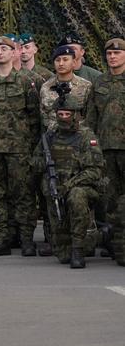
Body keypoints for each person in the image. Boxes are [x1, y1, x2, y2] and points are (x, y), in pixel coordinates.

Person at [0, 36, 40, 257]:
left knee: (23, 194)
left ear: (14, 52)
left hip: (19, 149)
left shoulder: (25, 81)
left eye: (5, 49)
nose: (0, 52)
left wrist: (31, 147)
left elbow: (34, 118)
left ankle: (26, 240)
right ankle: (2, 240)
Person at [32, 95, 104, 269]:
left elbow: (94, 170)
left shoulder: (86, 136)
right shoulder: (49, 137)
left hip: (82, 187)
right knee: (63, 255)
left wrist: (70, 185)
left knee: (76, 197)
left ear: (76, 115)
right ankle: (85, 241)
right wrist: (45, 166)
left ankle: (79, 249)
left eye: (67, 114)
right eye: (60, 114)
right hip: (56, 187)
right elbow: (35, 161)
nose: (63, 118)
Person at [85, 37, 125, 266]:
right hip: (106, 149)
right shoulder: (99, 83)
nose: (112, 57)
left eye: (117, 54)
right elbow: (91, 118)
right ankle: (114, 243)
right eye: (109, 54)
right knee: (109, 199)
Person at [40, 45, 92, 130]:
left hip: (78, 137)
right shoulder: (46, 87)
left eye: (65, 59)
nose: (61, 63)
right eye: (57, 60)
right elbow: (43, 116)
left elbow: (89, 117)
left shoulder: (86, 86)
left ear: (74, 62)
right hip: (53, 137)